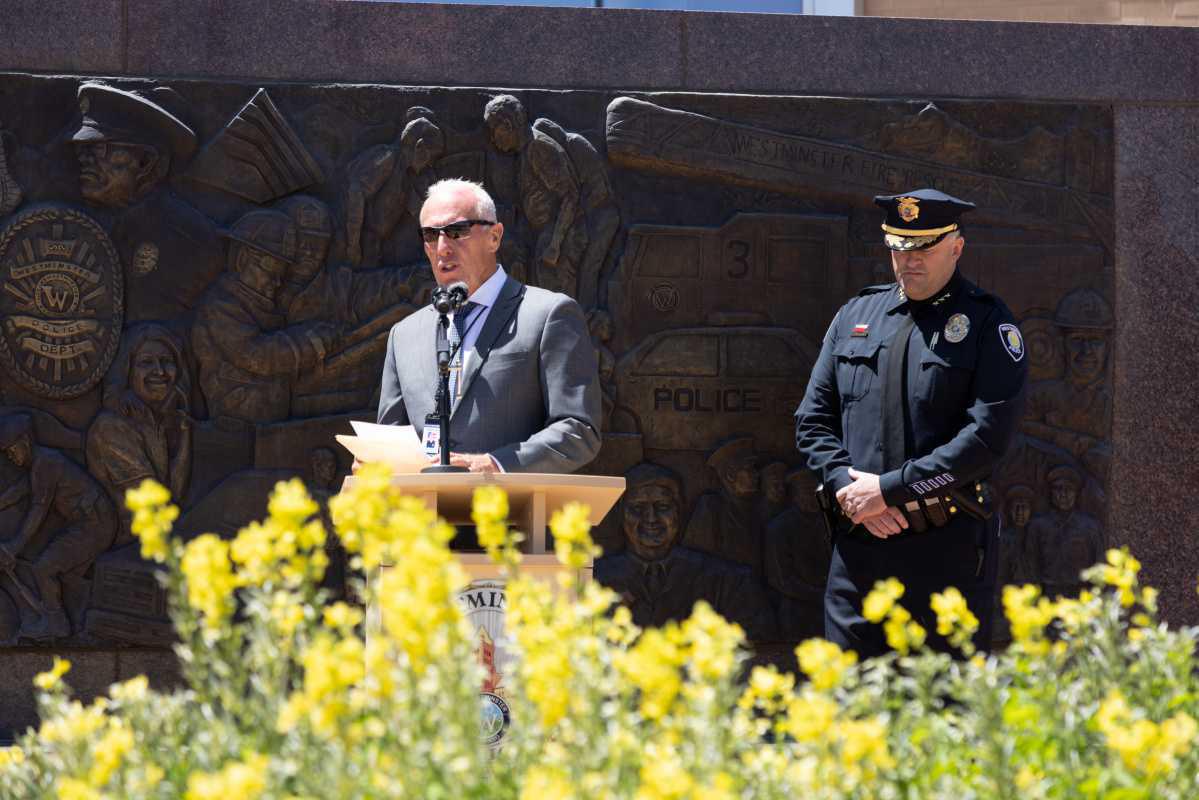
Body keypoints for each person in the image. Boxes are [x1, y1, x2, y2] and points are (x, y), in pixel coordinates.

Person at [794, 189, 1028, 657]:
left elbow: (986, 439)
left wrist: (890, 490)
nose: (909, 261)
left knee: (943, 711)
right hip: (859, 547)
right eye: (899, 248)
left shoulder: (987, 323)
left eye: (924, 247)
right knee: (849, 704)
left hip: (945, 552)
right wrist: (847, 487)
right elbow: (812, 422)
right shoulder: (855, 315)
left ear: (956, 247)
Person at [376, 179, 600, 474]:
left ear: (495, 237)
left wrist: (495, 465)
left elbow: (579, 430)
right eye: (430, 235)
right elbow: (390, 438)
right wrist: (377, 462)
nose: (442, 247)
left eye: (457, 232)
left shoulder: (548, 315)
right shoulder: (403, 335)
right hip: (424, 516)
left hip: (512, 514)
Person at [593, 463, 776, 639]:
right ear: (620, 514)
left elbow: (761, 647)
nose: (651, 518)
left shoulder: (729, 581)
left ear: (679, 511)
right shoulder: (594, 578)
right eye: (637, 508)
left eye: (663, 506)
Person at [191, 209, 339, 423]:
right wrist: (310, 343)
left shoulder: (261, 304)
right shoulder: (221, 306)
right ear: (243, 259)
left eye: (281, 275)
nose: (277, 282)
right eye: (270, 273)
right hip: (235, 423)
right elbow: (256, 354)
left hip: (271, 421)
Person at [0, 413, 117, 640]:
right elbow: (23, 489)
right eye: (6, 453)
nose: (11, 457)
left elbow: (38, 511)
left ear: (25, 442)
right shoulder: (41, 464)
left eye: (12, 450)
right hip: (89, 523)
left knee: (44, 568)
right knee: (66, 576)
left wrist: (13, 547)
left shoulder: (47, 463)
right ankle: (84, 623)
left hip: (95, 524)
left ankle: (57, 625)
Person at [85, 323, 192, 543]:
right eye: (146, 362)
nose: (160, 371)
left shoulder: (163, 421)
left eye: (167, 362)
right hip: (130, 545)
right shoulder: (111, 428)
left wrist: (184, 433)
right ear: (127, 371)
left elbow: (177, 496)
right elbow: (156, 506)